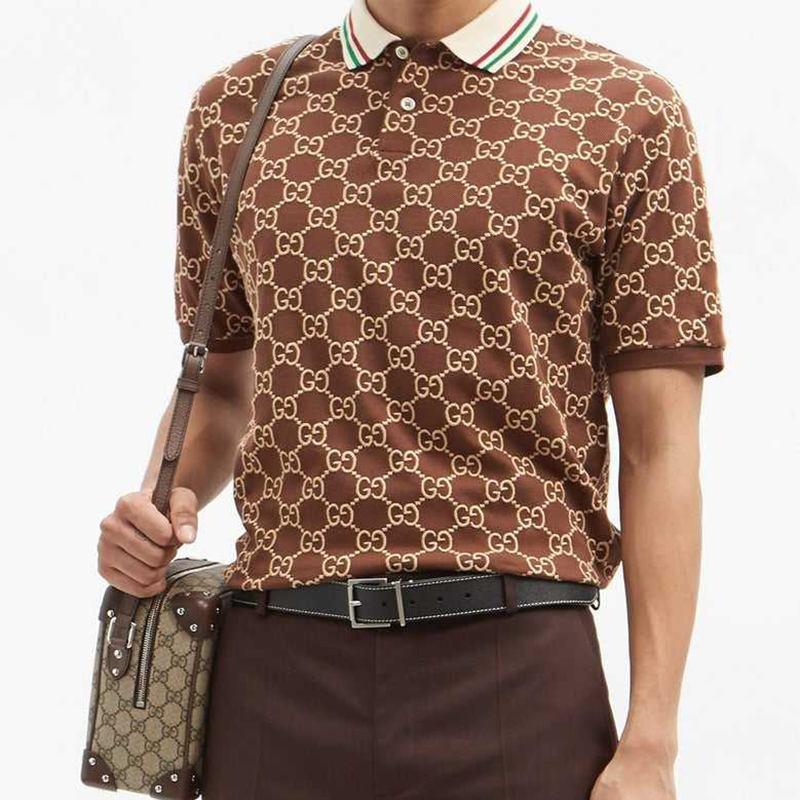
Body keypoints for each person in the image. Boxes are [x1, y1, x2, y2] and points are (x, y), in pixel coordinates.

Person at [95, 0, 725, 797]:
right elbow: (221, 389)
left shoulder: (627, 111)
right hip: (273, 672)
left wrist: (654, 739)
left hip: (516, 674)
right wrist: (158, 508)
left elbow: (659, 451)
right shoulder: (237, 107)